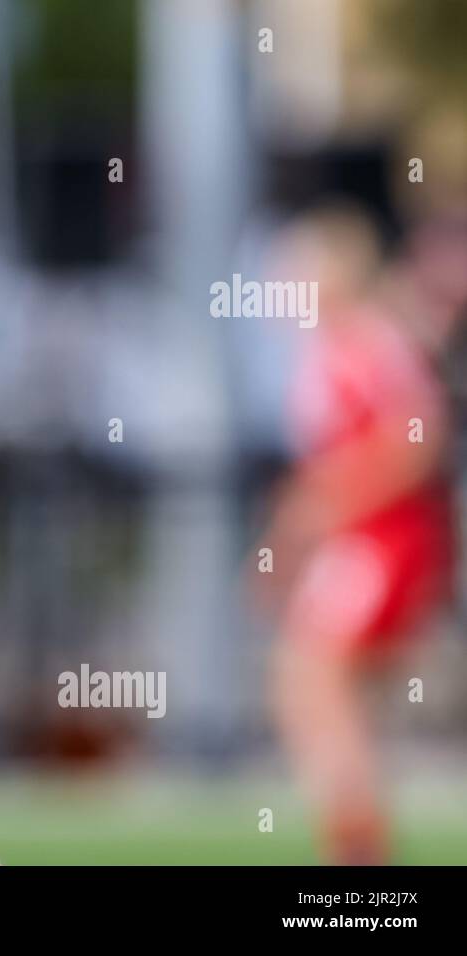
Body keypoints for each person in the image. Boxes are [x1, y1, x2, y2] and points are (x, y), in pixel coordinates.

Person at [254, 202, 458, 865]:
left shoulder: (364, 343)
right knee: (320, 689)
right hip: (367, 540)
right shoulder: (334, 349)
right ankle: (355, 842)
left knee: (314, 680)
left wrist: (327, 507)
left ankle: (359, 855)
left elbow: (412, 441)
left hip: (383, 541)